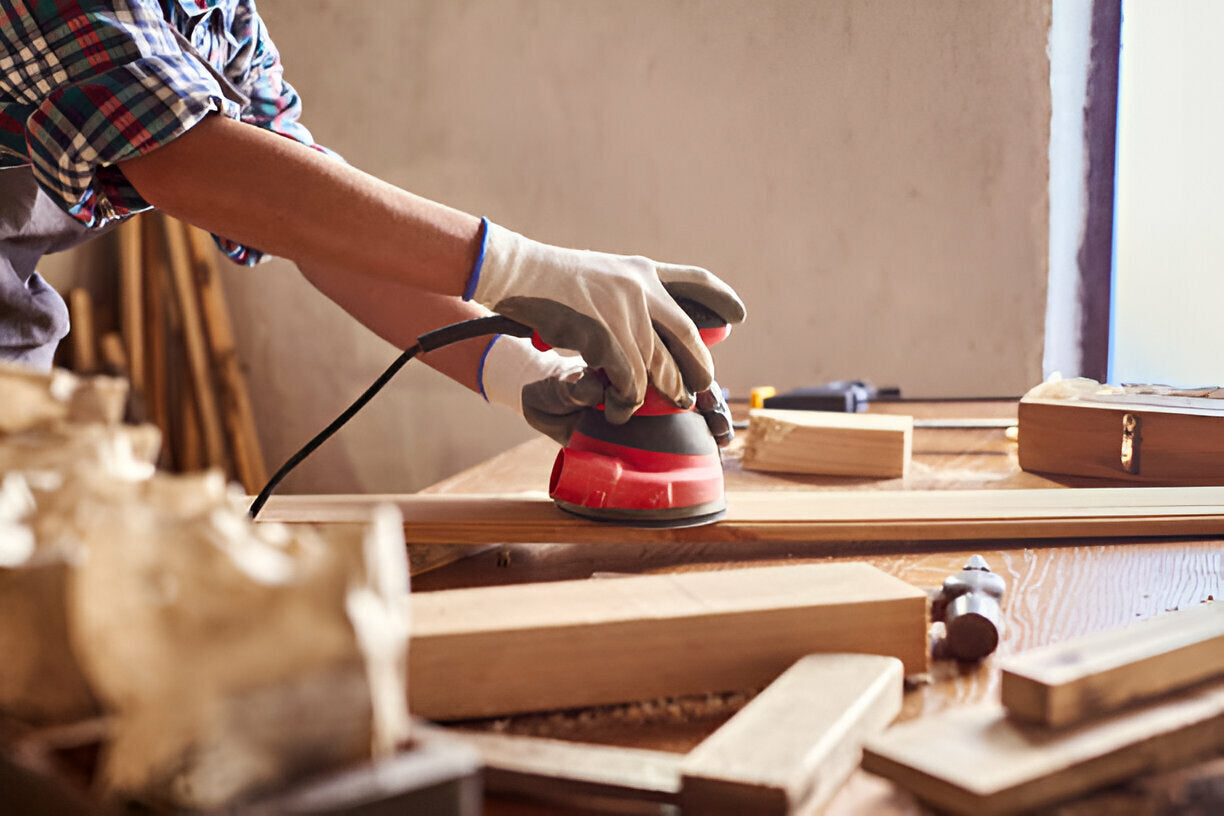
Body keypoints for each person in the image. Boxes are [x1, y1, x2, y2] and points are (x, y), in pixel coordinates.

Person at [0, 0, 744, 445]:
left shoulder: (217, 15)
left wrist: (526, 371)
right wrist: (531, 272)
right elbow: (182, 157)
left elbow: (305, 222)